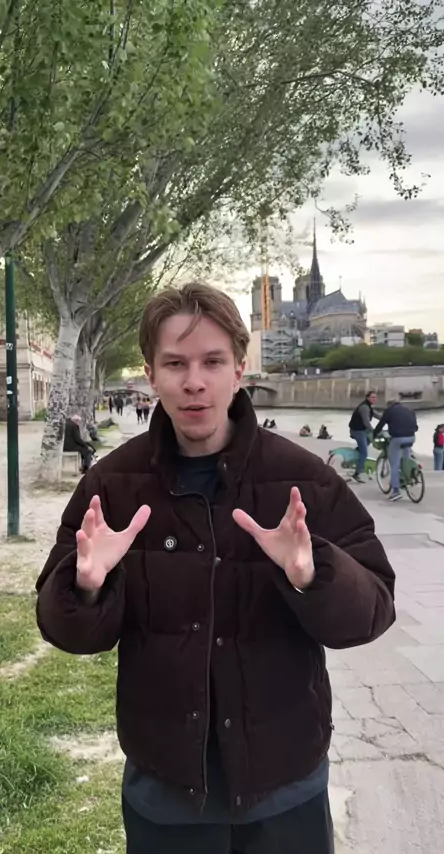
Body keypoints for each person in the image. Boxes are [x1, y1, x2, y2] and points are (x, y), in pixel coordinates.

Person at [36, 282, 395, 854]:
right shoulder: (111, 487)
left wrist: (313, 574)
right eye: (175, 364)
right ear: (151, 375)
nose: (194, 382)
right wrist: (85, 587)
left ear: (239, 369)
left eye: (212, 361)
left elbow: (373, 611)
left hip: (286, 790)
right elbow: (67, 632)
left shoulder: (305, 481)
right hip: (165, 794)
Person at [374, 399, 418, 502]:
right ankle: (407, 477)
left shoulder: (389, 411)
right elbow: (416, 427)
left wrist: (374, 433)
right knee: (406, 458)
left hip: (398, 439)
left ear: (389, 405)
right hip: (411, 437)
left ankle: (396, 491)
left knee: (394, 464)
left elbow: (381, 424)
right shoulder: (410, 410)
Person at [349, 391, 377, 484]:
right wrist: (374, 431)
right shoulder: (364, 407)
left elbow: (377, 415)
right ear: (367, 398)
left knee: (369, 439)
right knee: (364, 452)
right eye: (372, 397)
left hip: (362, 430)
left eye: (375, 397)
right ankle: (357, 474)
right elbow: (366, 422)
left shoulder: (369, 407)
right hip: (357, 431)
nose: (374, 399)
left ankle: (356, 454)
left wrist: (387, 419)